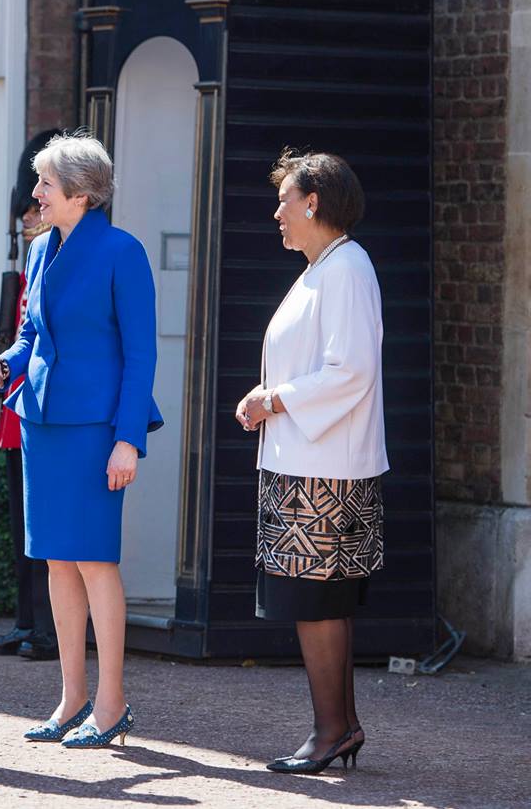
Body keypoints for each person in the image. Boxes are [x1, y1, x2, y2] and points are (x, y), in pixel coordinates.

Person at [0, 133, 162, 749]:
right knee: (57, 560)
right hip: (41, 422)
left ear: (82, 194)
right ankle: (72, 698)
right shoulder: (38, 252)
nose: (35, 194)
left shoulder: (123, 252)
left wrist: (127, 440)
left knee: (95, 561)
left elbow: (141, 356)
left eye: (46, 185)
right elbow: (31, 336)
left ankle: (111, 705)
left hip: (95, 430)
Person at [235, 148, 388, 775]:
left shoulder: (344, 269)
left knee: (316, 603)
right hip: (313, 458)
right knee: (323, 603)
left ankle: (330, 732)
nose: (278, 213)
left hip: (322, 468)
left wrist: (273, 398)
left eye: (285, 201)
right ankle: (340, 728)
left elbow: (350, 369)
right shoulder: (327, 268)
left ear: (313, 202)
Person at [0, 130, 59, 661]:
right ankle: (27, 620)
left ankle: (50, 627)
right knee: (21, 520)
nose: (30, 214)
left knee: (48, 520)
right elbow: (14, 338)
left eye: (36, 204)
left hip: (47, 400)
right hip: (16, 400)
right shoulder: (32, 258)